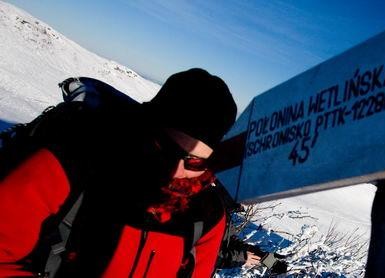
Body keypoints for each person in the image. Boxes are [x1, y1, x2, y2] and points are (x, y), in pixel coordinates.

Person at [0, 68, 238, 277]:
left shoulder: (207, 215)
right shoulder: (71, 165)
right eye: (165, 148)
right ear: (147, 128)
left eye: (194, 163)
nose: (175, 169)